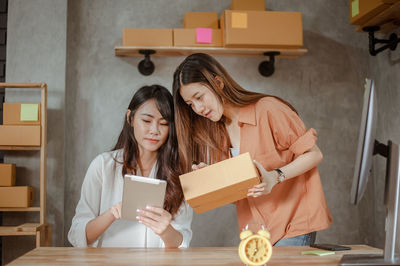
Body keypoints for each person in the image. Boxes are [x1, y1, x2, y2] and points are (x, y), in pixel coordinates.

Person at [172, 53, 332, 246]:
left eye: (199, 97)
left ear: (218, 83)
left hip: (293, 225)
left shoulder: (267, 109)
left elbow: (314, 154)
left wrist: (276, 176)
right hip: (257, 233)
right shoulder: (218, 131)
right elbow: (242, 192)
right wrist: (213, 180)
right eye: (190, 104)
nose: (198, 108)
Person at [68, 85, 193, 248]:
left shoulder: (179, 174)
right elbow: (77, 236)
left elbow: (182, 243)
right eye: (146, 121)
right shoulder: (103, 166)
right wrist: (111, 214)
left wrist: (165, 230)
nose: (154, 130)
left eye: (163, 123)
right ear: (130, 118)